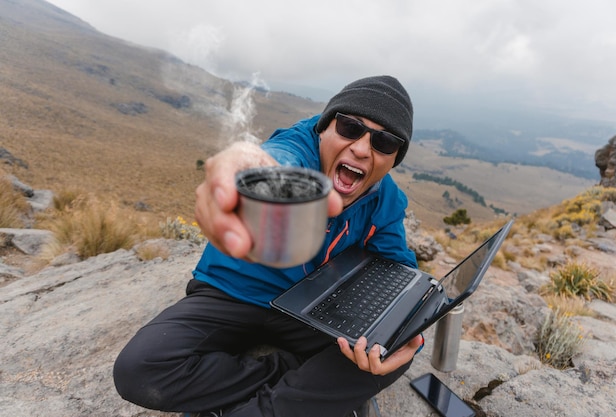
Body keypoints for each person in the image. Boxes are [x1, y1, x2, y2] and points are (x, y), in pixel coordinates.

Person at [113, 75, 425, 417]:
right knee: (139, 370)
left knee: (389, 350)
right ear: (324, 128)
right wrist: (248, 174)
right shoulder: (295, 150)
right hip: (232, 292)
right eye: (350, 128)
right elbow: (274, 161)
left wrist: (407, 329)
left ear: (393, 158)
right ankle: (297, 381)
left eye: (384, 143)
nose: (363, 149)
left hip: (314, 311)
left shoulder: (387, 198)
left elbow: (398, 265)